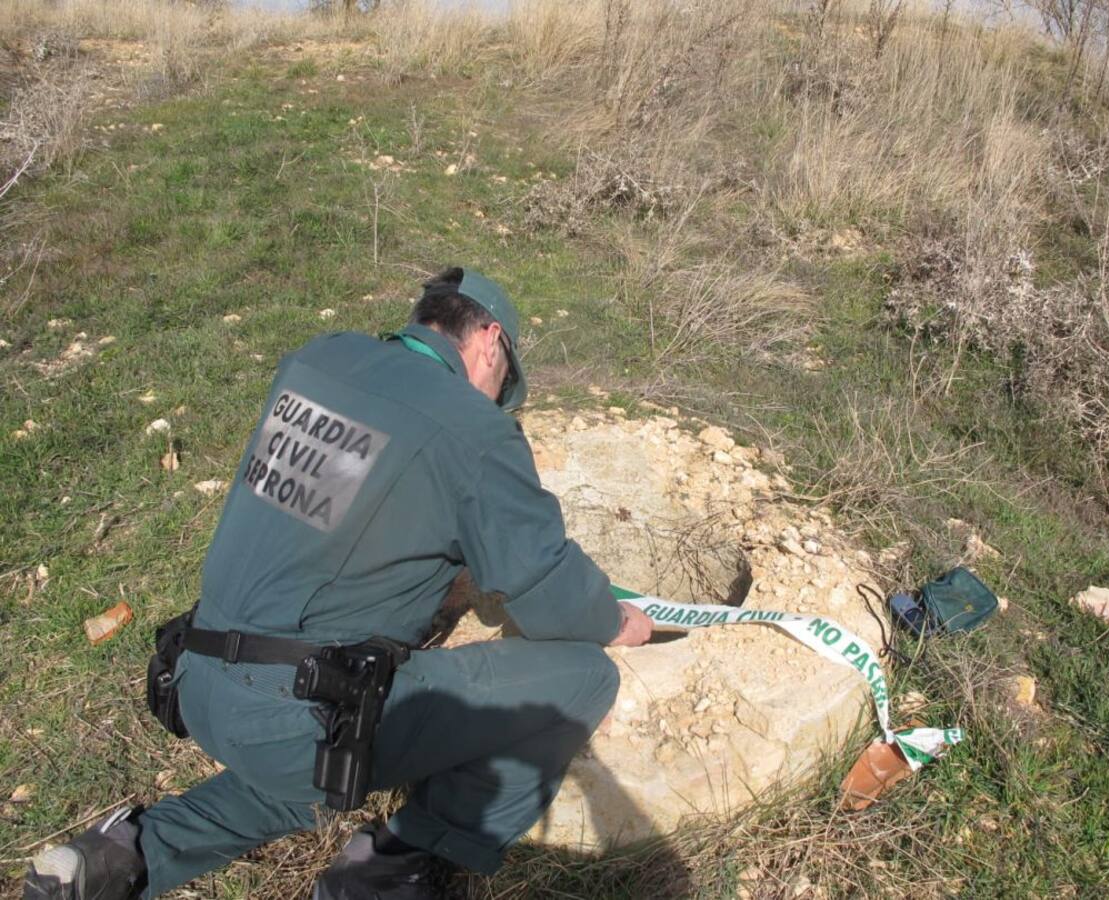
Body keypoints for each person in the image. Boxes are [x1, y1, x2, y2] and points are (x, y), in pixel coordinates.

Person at [25, 267, 654, 900]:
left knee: (310, 778)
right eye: (503, 385)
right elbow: (546, 589)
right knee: (583, 679)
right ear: (491, 340)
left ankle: (122, 856)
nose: (497, 400)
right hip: (295, 709)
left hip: (193, 677)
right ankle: (394, 868)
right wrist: (615, 620)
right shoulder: (472, 425)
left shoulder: (320, 359)